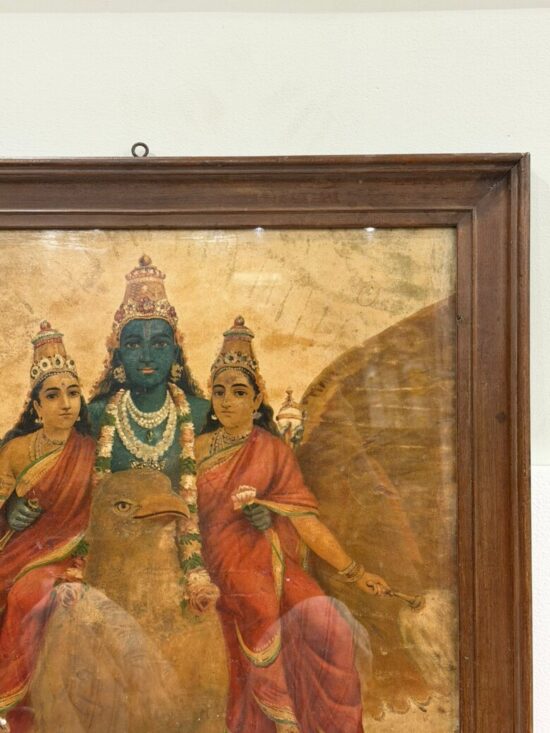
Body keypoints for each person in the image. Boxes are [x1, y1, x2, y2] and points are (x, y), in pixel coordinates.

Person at [195, 316, 391, 733]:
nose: (227, 401)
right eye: (219, 391)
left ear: (257, 399)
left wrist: (356, 573)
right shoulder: (195, 450)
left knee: (327, 623)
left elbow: (306, 524)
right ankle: (278, 716)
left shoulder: (274, 451)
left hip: (272, 559)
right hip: (216, 559)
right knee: (255, 601)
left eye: (239, 392)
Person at [87, 255, 217, 612]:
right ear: (117, 355)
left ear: (175, 351)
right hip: (113, 559)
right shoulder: (96, 416)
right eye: (133, 345)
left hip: (188, 561)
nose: (146, 355)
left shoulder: (202, 413)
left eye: (159, 344)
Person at [0, 321, 95, 732]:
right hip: (19, 552)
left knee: (29, 593)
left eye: (72, 393)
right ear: (36, 407)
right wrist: (10, 509)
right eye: (52, 395)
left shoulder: (92, 452)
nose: (65, 404)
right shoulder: (16, 450)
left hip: (75, 554)